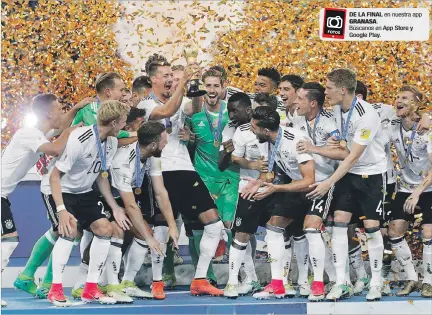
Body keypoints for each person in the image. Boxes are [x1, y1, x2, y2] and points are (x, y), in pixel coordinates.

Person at [138, 60, 225, 296]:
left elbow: (194, 108)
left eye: (172, 76)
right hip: (160, 170)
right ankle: (157, 282)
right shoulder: (145, 105)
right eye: (165, 75)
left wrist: (195, 88)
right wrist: (183, 81)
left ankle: (200, 279)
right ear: (153, 79)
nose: (169, 79)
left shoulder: (179, 99)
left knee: (214, 223)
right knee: (162, 227)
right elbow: (166, 112)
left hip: (186, 169)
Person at [307, 68, 388, 301]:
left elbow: (352, 156)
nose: (325, 91)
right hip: (348, 174)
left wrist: (328, 183)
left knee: (372, 228)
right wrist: (335, 140)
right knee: (338, 224)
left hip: (371, 174)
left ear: (343, 90)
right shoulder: (335, 109)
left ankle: (376, 282)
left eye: (329, 87)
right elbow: (344, 145)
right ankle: (341, 282)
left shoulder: (367, 115)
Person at [46, 100, 130, 306]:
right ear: (113, 123)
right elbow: (55, 177)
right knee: (69, 230)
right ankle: (55, 290)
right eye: (122, 123)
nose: (124, 128)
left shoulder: (110, 142)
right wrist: (62, 210)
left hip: (84, 191)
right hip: (60, 189)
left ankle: (90, 289)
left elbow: (101, 177)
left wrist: (116, 207)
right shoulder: (80, 139)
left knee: (105, 228)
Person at [2, 94, 78, 307]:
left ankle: (26, 277)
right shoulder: (28, 134)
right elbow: (55, 148)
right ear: (48, 113)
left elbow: (61, 126)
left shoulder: (40, 134)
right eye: (59, 108)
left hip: (2, 195)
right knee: (8, 240)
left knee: (8, 240)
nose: (62, 112)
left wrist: (77, 107)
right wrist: (70, 131)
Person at [237, 106, 317, 299]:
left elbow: (309, 180)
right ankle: (278, 284)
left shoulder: (295, 141)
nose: (251, 131)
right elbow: (270, 174)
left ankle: (323, 282)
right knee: (274, 228)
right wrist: (259, 182)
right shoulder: (266, 141)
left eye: (254, 127)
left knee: (309, 233)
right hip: (292, 187)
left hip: (316, 189)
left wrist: (276, 189)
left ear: (265, 130)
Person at [111, 114, 178, 300]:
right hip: (107, 197)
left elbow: (160, 192)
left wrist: (172, 225)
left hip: (126, 195)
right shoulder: (123, 161)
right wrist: (150, 239)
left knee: (141, 233)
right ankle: (102, 284)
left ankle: (125, 283)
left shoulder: (152, 156)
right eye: (164, 142)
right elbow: (130, 206)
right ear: (153, 145)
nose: (166, 145)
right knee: (134, 234)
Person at [294, 82, 349, 300]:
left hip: (326, 183)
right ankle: (332, 279)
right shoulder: (296, 119)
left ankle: (320, 283)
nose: (296, 102)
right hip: (303, 183)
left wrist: (313, 148)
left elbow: (345, 153)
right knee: (307, 232)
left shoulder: (328, 123)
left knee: (313, 229)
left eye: (300, 98)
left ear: (313, 103)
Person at [384, 85, 431, 297]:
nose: (398, 101)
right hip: (405, 187)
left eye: (404, 98)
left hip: (428, 186)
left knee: (428, 232)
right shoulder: (393, 124)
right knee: (394, 230)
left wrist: (417, 192)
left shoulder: (427, 129)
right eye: (397, 97)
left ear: (417, 103)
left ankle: (429, 281)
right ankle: (411, 278)